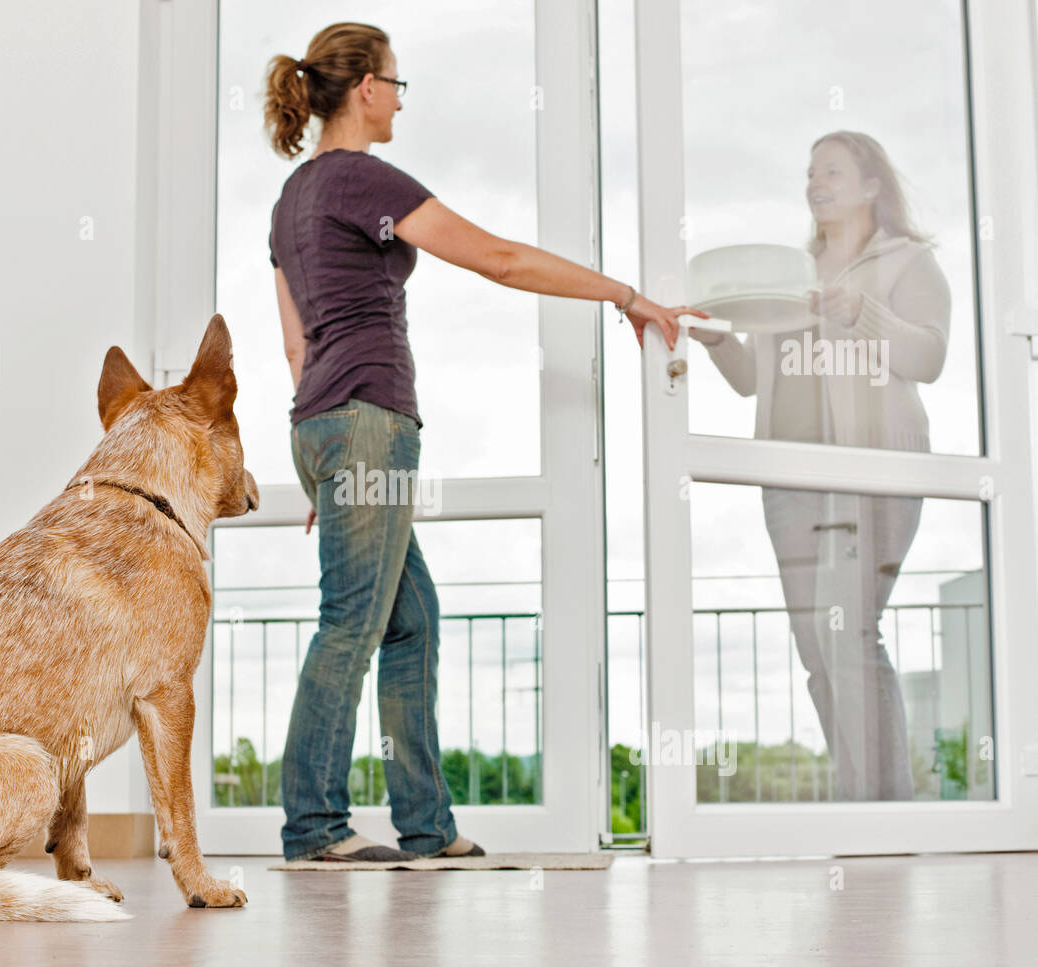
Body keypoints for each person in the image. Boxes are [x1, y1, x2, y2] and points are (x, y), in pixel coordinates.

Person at [265, 21, 703, 861]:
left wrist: (321, 466)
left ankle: (426, 828)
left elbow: (295, 345)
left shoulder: (290, 200)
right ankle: (313, 826)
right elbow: (497, 259)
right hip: (366, 420)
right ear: (364, 89)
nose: (399, 99)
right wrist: (625, 295)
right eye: (396, 83)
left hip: (321, 421)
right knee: (352, 622)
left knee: (411, 618)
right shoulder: (362, 178)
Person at [689, 130, 951, 801]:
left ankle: (882, 811)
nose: (815, 183)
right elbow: (753, 380)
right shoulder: (791, 272)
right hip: (791, 479)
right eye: (810, 173)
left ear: (871, 186)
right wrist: (718, 338)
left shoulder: (907, 263)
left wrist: (864, 312)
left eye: (831, 170)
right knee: (817, 650)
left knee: (851, 633)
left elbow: (928, 358)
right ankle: (864, 799)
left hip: (874, 471)